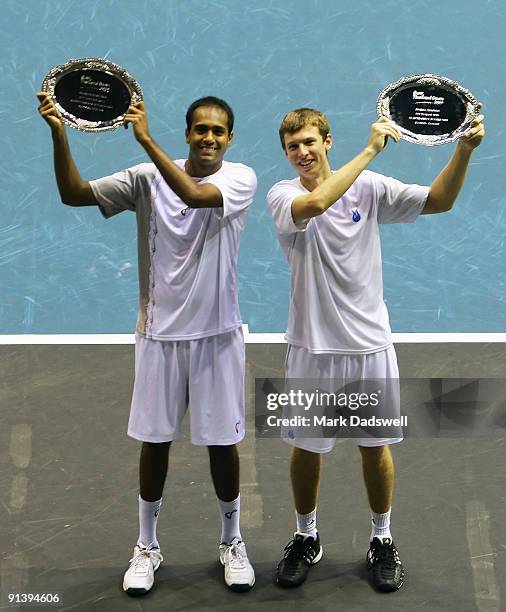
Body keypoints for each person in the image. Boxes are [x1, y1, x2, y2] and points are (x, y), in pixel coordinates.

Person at [36, 92, 257, 594]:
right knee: (155, 443)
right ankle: (147, 545)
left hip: (218, 336)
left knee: (223, 444)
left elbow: (196, 197)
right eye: (200, 129)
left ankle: (231, 539)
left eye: (218, 131)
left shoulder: (239, 179)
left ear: (229, 139)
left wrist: (145, 139)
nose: (208, 138)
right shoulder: (144, 177)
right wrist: (59, 132)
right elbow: (74, 193)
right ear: (187, 134)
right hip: (158, 335)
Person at [267, 107, 484, 591]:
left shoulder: (370, 187)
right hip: (312, 347)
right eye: (292, 147)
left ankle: (382, 539)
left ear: (327, 141)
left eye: (309, 142)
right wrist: (370, 150)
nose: (301, 153)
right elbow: (315, 205)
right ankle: (307, 538)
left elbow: (440, 200)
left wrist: (463, 150)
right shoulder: (283, 195)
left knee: (374, 447)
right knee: (306, 448)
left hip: (369, 346)